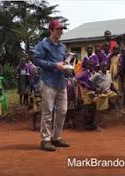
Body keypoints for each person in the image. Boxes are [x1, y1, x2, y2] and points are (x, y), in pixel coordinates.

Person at [33, 19, 70, 151]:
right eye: (58, 29)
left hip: (61, 81)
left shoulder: (62, 47)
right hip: (48, 81)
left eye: (61, 29)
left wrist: (67, 64)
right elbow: (36, 60)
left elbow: (62, 61)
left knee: (63, 110)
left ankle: (56, 137)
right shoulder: (43, 45)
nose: (60, 32)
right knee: (48, 111)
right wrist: (55, 65)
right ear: (51, 30)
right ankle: (45, 140)